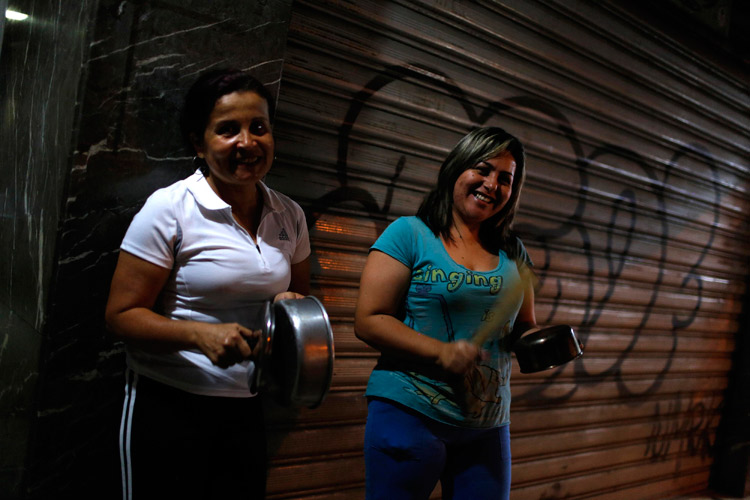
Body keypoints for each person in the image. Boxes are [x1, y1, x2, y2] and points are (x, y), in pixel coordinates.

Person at [105, 68, 311, 500]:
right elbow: (121, 316)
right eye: (227, 130)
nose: (247, 143)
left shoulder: (289, 215)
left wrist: (291, 306)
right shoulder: (171, 208)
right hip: (168, 404)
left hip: (246, 404)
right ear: (199, 144)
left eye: (259, 128)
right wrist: (198, 334)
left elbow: (300, 302)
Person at [354, 126, 537, 500]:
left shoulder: (513, 251)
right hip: (409, 411)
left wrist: (543, 343)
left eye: (505, 179)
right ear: (457, 168)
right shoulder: (409, 234)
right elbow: (369, 320)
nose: (491, 184)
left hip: (487, 423)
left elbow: (523, 327)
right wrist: (441, 352)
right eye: (482, 169)